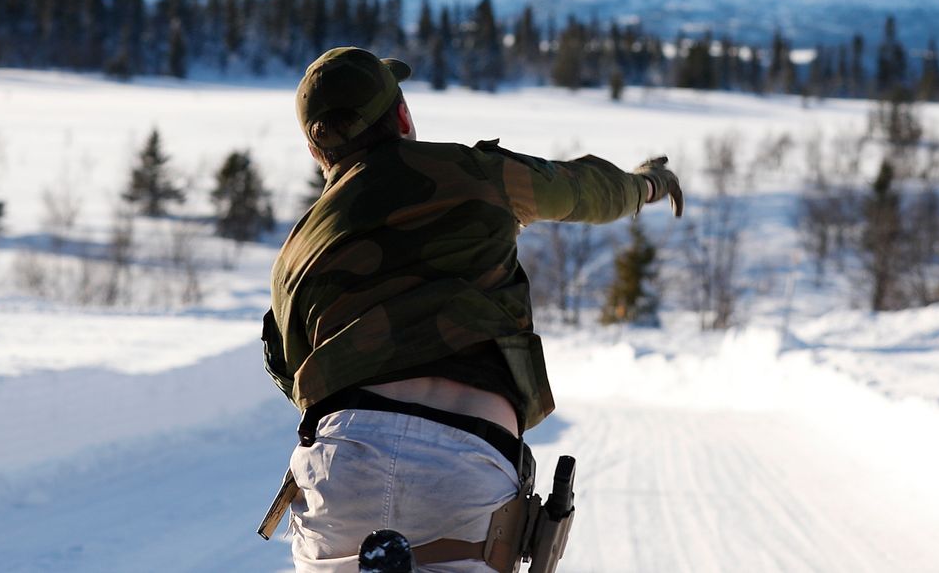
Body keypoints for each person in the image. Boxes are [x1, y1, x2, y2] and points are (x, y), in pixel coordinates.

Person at [261, 46, 683, 572]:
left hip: (340, 468)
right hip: (464, 466)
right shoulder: (477, 174)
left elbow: (292, 376)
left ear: (314, 149)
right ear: (402, 116)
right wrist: (645, 184)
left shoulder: (296, 252)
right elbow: (586, 192)